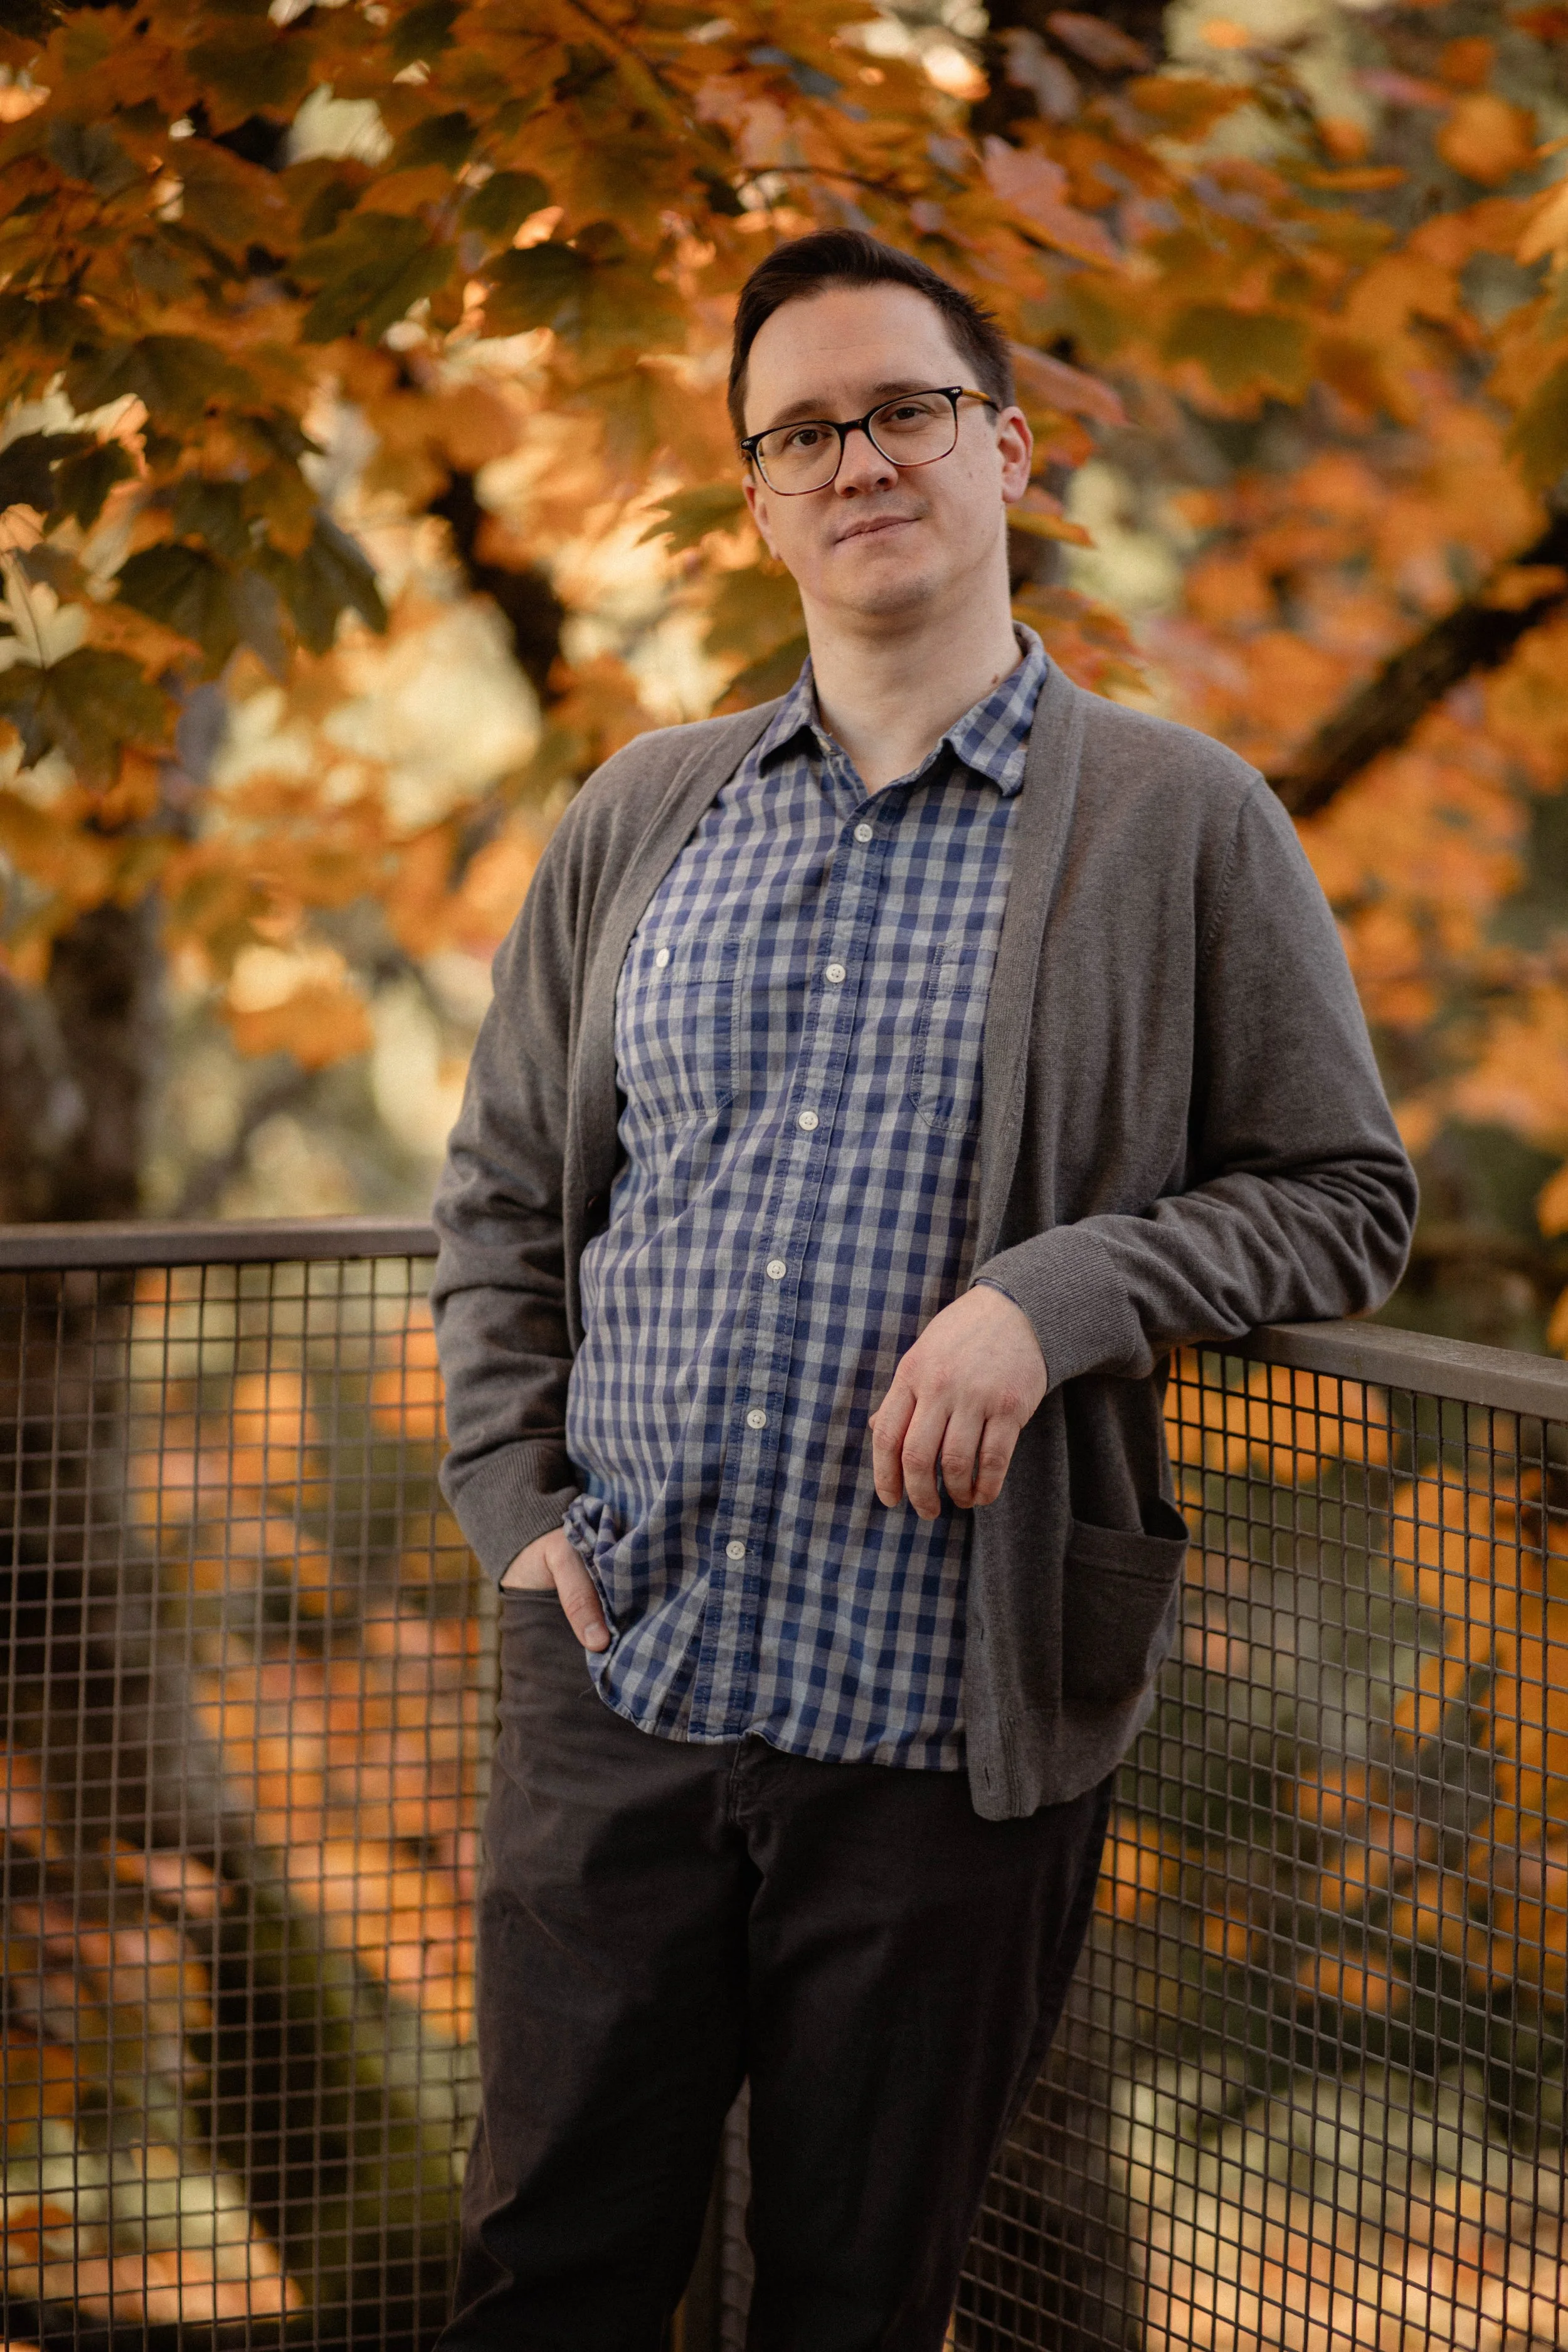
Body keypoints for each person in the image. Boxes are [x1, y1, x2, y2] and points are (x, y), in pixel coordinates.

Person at [429, 228, 1416, 2352]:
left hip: (938, 1736)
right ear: (761, 500)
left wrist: (1055, 1292)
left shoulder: (1176, 819)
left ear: (1007, 450)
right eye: (802, 430)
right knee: (547, 2282)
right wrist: (517, 1517)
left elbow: (1342, 1195)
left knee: (858, 2305)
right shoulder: (640, 814)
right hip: (617, 1674)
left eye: (902, 410)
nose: (856, 456)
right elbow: (506, 1197)